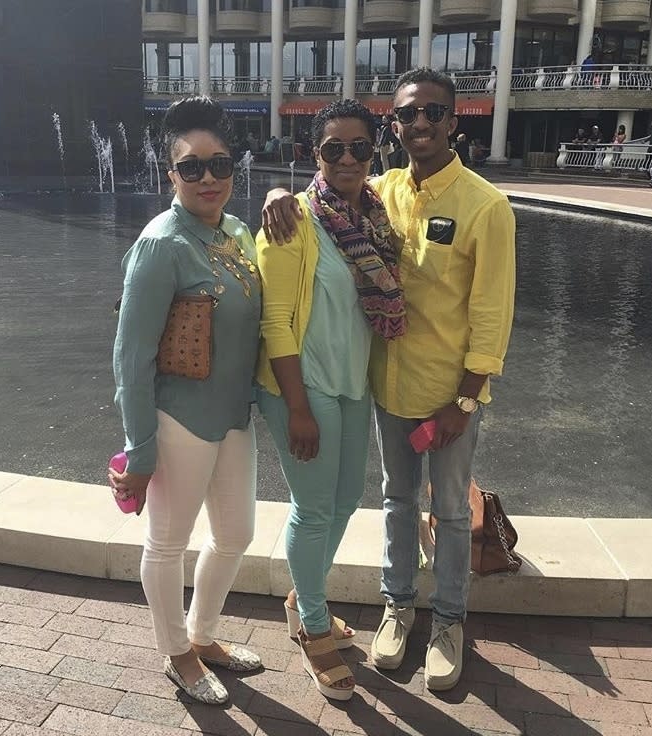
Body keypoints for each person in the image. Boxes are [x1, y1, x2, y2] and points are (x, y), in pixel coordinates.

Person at [261, 67, 516, 692]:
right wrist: (275, 199)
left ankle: (450, 622)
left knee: (451, 512)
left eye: (433, 112)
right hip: (385, 386)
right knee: (397, 502)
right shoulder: (384, 191)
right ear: (394, 126)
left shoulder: (486, 205)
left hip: (450, 394)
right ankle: (398, 608)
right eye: (407, 114)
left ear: (454, 121)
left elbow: (492, 313)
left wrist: (466, 397)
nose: (420, 123)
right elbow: (322, 195)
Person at [110, 96, 262, 705]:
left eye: (219, 165)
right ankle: (177, 652)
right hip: (177, 419)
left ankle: (203, 635)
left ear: (234, 171)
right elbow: (130, 358)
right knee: (168, 543)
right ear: (170, 173)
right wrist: (139, 447)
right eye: (191, 166)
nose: (207, 178)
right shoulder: (160, 245)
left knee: (236, 535)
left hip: (233, 416)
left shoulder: (238, 232)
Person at [256, 99, 405, 701]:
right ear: (312, 155)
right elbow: (274, 322)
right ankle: (314, 630)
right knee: (314, 509)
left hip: (351, 382)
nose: (347, 159)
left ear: (375, 152)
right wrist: (295, 407)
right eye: (332, 149)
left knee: (345, 501)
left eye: (359, 147)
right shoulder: (292, 220)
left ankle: (301, 597)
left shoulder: (375, 216)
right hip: (301, 385)